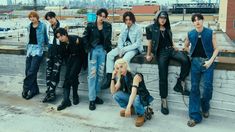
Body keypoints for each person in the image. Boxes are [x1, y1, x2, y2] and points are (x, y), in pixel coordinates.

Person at [145, 11, 191, 115]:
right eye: (161, 18)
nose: (163, 20)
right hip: (161, 53)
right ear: (157, 18)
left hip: (171, 50)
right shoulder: (150, 28)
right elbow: (149, 43)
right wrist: (149, 54)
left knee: (186, 60)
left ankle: (179, 83)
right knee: (163, 76)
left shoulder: (167, 28)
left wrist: (174, 46)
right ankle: (164, 100)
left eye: (165, 18)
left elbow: (170, 40)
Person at [184, 13, 219, 127]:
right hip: (195, 63)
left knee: (208, 87)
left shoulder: (210, 32)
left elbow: (216, 49)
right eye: (194, 20)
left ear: (203, 20)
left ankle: (205, 107)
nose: (197, 21)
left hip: (208, 62)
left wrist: (210, 61)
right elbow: (185, 46)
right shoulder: (190, 33)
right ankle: (195, 116)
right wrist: (190, 53)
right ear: (193, 22)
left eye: (199, 19)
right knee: (194, 88)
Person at [102, 11, 143, 89]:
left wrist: (123, 50)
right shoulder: (123, 26)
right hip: (123, 47)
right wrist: (120, 48)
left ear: (133, 19)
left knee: (124, 59)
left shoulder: (138, 28)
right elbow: (120, 39)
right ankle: (109, 78)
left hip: (133, 49)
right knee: (109, 55)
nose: (128, 21)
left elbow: (137, 44)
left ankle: (122, 81)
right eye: (126, 20)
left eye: (130, 19)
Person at [82, 8, 112, 110]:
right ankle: (91, 99)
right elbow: (84, 38)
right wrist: (89, 49)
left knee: (100, 74)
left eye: (104, 17)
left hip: (102, 51)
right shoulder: (90, 25)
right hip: (93, 51)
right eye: (100, 16)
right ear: (97, 16)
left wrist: (107, 50)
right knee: (92, 75)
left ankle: (95, 96)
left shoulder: (108, 26)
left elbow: (108, 40)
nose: (102, 18)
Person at [111, 58, 153, 127]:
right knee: (116, 95)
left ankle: (141, 114)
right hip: (132, 97)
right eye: (117, 68)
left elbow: (134, 93)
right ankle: (133, 109)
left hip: (141, 98)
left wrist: (127, 107)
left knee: (136, 98)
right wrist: (112, 77)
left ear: (126, 65)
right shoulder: (121, 76)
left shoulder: (136, 76)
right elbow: (113, 91)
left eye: (121, 67)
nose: (120, 70)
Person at [55, 28, 86, 111]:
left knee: (72, 76)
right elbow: (63, 54)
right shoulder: (61, 43)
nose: (60, 38)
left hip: (79, 58)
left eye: (61, 36)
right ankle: (66, 100)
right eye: (58, 37)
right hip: (70, 59)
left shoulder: (75, 38)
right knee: (67, 78)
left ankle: (74, 95)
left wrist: (78, 42)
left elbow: (84, 45)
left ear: (66, 34)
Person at [22, 11, 48, 100]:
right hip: (30, 49)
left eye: (34, 17)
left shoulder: (43, 26)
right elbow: (28, 38)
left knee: (32, 71)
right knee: (27, 70)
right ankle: (34, 90)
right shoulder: (29, 26)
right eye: (30, 17)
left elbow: (46, 38)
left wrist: (47, 48)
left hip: (38, 49)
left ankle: (25, 88)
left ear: (37, 17)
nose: (32, 18)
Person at [42, 11, 64, 103]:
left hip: (59, 51)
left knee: (55, 72)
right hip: (50, 50)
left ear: (55, 17)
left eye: (51, 18)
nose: (50, 20)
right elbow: (49, 38)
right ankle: (50, 91)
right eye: (48, 19)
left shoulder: (62, 25)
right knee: (48, 71)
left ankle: (51, 92)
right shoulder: (48, 27)